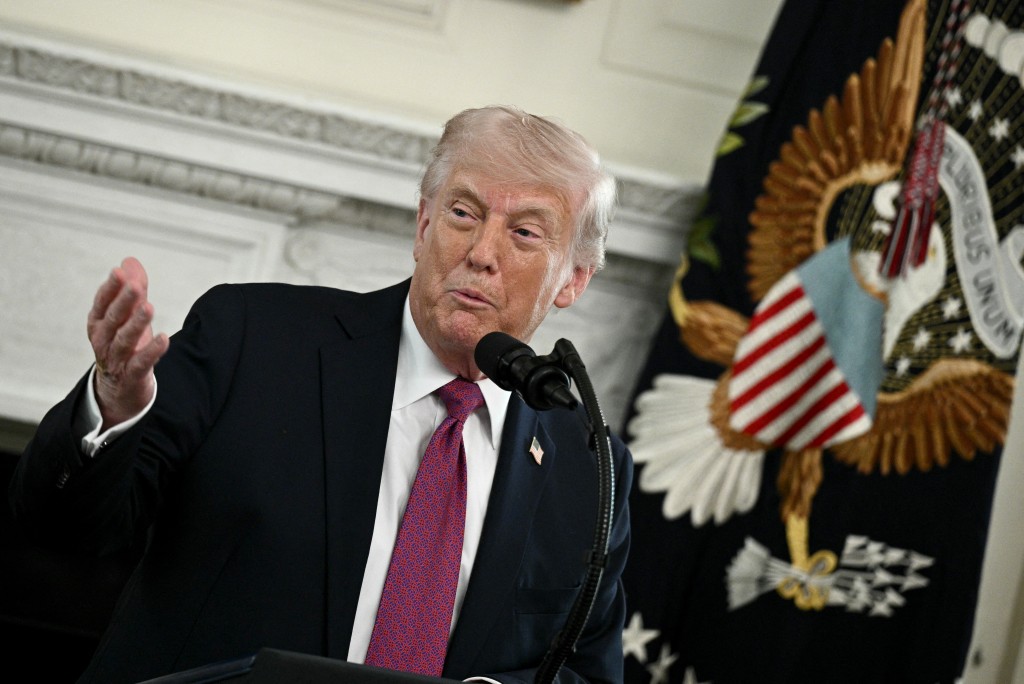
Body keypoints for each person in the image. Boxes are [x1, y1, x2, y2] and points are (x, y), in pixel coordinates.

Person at [9, 105, 632, 684]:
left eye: (525, 233)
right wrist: (112, 411)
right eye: (463, 213)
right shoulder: (252, 338)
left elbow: (585, 672)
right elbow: (65, 531)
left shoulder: (590, 470)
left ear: (573, 279)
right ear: (422, 224)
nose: (481, 253)